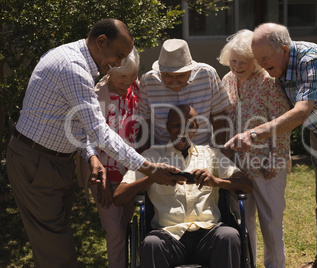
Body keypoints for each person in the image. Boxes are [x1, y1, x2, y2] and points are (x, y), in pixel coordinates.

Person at [6, 19, 183, 268]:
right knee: (59, 253)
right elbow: (99, 132)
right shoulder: (73, 68)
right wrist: (149, 168)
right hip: (37, 162)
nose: (120, 63)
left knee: (49, 248)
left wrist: (90, 156)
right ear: (101, 42)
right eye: (118, 55)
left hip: (53, 162)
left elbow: (73, 121)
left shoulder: (76, 60)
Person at [225, 23, 317, 268]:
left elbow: (301, 112)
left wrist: (254, 134)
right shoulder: (277, 67)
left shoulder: (312, 61)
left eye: (264, 58)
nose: (260, 64)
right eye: (257, 58)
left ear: (284, 49)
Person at [113, 104, 253, 268]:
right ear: (167, 127)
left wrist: (216, 181)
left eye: (189, 126)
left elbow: (247, 185)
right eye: (176, 125)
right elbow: (119, 197)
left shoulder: (211, 155)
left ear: (197, 127)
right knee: (151, 244)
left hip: (209, 234)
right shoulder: (151, 157)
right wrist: (153, 177)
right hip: (168, 235)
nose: (183, 131)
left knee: (229, 236)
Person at [218, 29, 291, 268]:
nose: (237, 67)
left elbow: (283, 124)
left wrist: (276, 160)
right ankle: (246, 263)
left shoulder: (268, 83)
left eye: (244, 62)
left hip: (266, 165)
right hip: (238, 167)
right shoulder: (227, 80)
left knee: (271, 223)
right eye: (233, 61)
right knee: (242, 221)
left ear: (255, 62)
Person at [76, 46, 141, 268]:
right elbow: (86, 138)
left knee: (126, 225)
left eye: (133, 75)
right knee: (114, 231)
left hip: (129, 174)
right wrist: (99, 180)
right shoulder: (97, 96)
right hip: (103, 174)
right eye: (123, 76)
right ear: (109, 71)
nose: (129, 80)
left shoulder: (137, 89)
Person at [139, 38, 229, 149]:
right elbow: (144, 121)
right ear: (160, 72)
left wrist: (220, 149)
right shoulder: (148, 81)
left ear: (190, 71)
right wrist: (145, 154)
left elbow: (219, 114)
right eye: (168, 75)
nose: (174, 82)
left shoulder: (208, 75)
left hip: (202, 150)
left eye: (180, 75)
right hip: (162, 152)